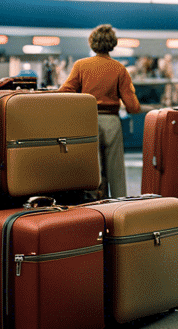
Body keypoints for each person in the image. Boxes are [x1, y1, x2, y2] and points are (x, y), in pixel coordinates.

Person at [59, 23, 142, 199]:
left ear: (92, 43)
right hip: (112, 122)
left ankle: (93, 204)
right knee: (116, 171)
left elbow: (64, 93)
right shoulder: (119, 68)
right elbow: (133, 107)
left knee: (93, 170)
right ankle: (120, 206)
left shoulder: (81, 65)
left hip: (88, 121)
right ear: (112, 44)